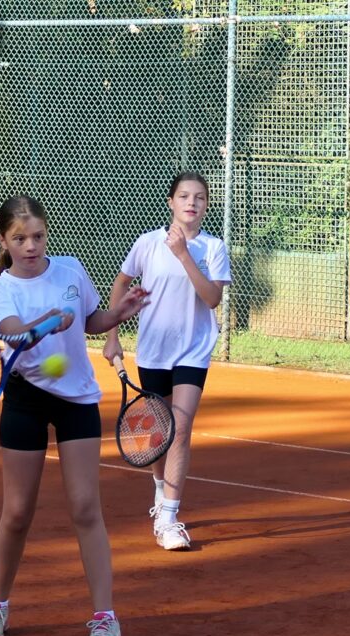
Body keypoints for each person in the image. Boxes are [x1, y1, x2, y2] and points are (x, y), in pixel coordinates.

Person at [0, 195, 150, 636]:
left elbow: (92, 320)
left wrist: (120, 314)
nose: (30, 246)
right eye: (20, 239)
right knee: (17, 511)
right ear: (4, 241)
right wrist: (48, 321)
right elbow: (14, 330)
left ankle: (105, 619)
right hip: (25, 399)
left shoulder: (71, 270)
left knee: (85, 507)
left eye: (37, 236)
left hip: (77, 399)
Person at [103, 172, 232, 551]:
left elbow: (212, 298)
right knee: (160, 433)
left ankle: (170, 518)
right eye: (184, 196)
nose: (192, 203)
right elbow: (120, 283)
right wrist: (112, 335)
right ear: (171, 202)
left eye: (200, 197)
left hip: (193, 350)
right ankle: (160, 490)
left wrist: (183, 255)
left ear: (206, 205)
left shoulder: (213, 248)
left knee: (182, 427)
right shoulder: (147, 243)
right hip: (154, 350)